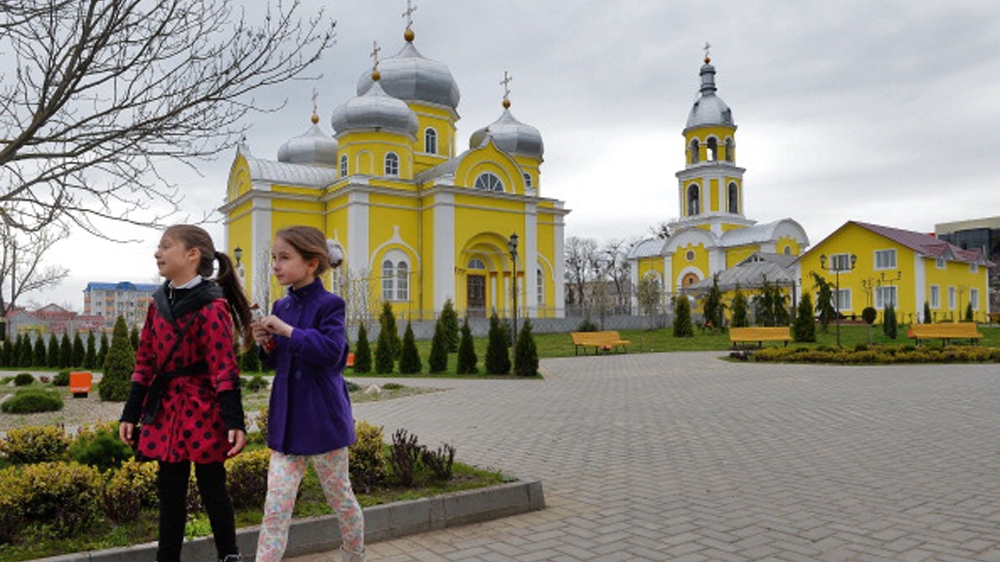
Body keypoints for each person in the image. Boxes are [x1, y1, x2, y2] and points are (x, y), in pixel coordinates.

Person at [118, 224, 252, 562]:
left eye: (165, 246)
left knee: (212, 488)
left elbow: (224, 368)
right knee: (169, 493)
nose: (157, 253)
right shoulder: (157, 303)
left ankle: (229, 556)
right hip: (165, 409)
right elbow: (145, 362)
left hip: (203, 408)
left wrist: (233, 419)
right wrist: (130, 413)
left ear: (192, 255)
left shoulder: (211, 305)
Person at [252, 226, 365, 562]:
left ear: (312, 263)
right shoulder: (280, 305)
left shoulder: (332, 304)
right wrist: (265, 342)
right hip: (286, 423)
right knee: (275, 506)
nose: (275, 265)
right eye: (274, 258)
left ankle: (354, 554)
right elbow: (277, 359)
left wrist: (287, 331)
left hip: (323, 421)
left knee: (340, 498)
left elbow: (333, 353)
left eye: (284, 257)